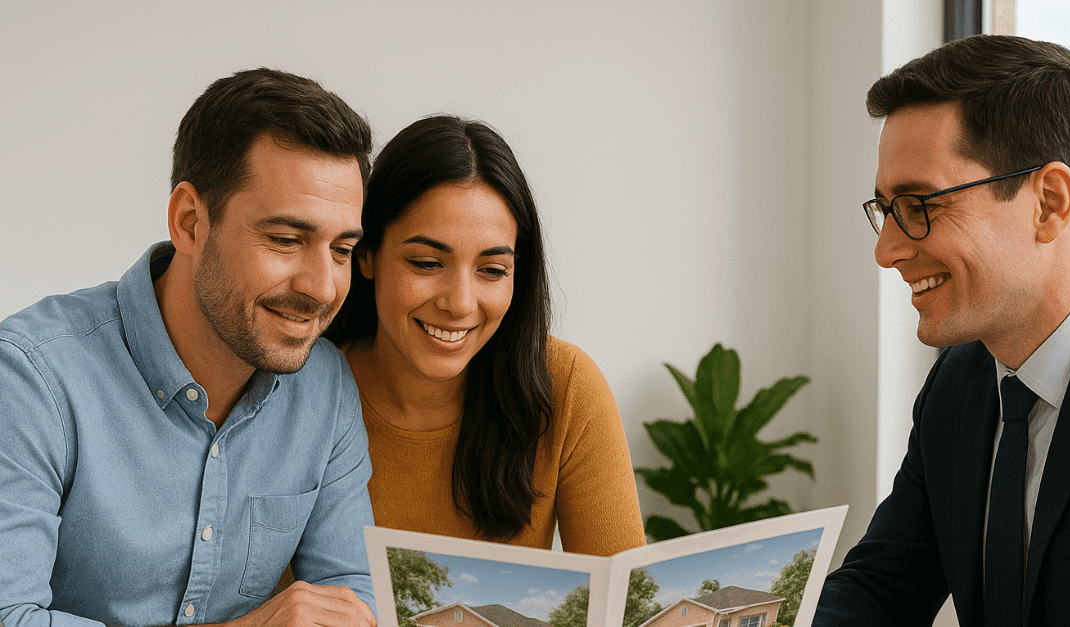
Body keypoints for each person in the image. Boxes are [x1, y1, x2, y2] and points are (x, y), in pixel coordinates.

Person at [814, 35, 1070, 627]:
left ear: (1048, 202)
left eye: (920, 206)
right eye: (885, 209)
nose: (886, 250)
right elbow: (880, 587)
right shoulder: (958, 383)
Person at [0, 68, 379, 627]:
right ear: (189, 222)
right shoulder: (31, 378)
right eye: (285, 240)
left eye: (342, 249)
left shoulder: (324, 385)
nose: (322, 288)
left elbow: (351, 592)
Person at [324, 115, 645, 555]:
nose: (460, 303)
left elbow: (623, 608)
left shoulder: (565, 388)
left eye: (492, 271)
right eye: (426, 263)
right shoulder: (300, 391)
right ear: (367, 255)